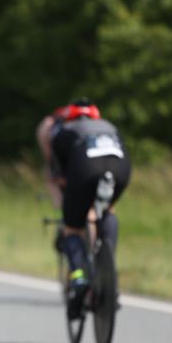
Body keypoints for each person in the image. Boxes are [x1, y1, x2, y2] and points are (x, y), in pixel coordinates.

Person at [36, 98, 131, 318]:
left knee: (72, 228)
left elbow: (59, 178)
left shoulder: (62, 131)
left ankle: (78, 276)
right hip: (121, 164)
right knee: (108, 210)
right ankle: (108, 269)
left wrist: (67, 205)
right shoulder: (108, 126)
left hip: (85, 165)